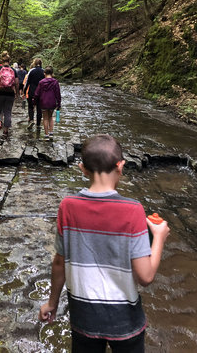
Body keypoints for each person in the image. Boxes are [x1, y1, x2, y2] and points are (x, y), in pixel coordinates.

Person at [39, 134, 170, 353]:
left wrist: (51, 303)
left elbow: (59, 263)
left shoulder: (67, 207)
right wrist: (158, 238)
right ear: (121, 166)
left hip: (84, 319)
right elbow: (146, 277)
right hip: (125, 321)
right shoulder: (133, 210)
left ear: (82, 168)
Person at [0, 51, 19, 139]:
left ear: (1, 60)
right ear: (9, 61)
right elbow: (17, 83)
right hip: (10, 94)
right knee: (8, 112)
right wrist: (17, 93)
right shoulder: (13, 70)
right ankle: (5, 132)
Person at [33, 66, 61, 140]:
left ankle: (46, 135)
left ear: (44, 73)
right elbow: (58, 93)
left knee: (45, 118)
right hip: (52, 102)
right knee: (50, 117)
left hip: (44, 102)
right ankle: (51, 132)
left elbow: (36, 94)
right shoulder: (55, 82)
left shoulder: (41, 82)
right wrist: (59, 103)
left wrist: (34, 102)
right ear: (52, 73)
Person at [24, 58, 44, 129]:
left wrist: (24, 90)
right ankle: (38, 124)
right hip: (41, 92)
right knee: (39, 108)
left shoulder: (31, 71)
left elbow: (27, 82)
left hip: (32, 91)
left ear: (34, 63)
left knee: (30, 106)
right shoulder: (43, 71)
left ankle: (31, 119)